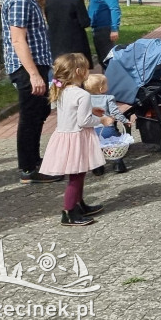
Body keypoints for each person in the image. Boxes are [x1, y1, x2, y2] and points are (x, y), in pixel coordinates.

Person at [1, 0, 61, 184]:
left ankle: (33, 160)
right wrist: (34, 74)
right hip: (28, 68)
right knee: (31, 116)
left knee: (39, 113)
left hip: (36, 66)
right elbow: (18, 40)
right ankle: (28, 168)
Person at [40, 53, 113, 226]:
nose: (89, 71)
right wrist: (102, 120)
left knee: (79, 173)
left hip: (64, 136)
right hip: (77, 137)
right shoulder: (82, 94)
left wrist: (91, 110)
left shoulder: (61, 88)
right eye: (87, 68)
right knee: (76, 176)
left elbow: (68, 111)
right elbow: (84, 121)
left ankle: (80, 204)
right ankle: (69, 212)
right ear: (79, 71)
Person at [84, 74, 130, 174]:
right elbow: (115, 113)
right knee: (114, 145)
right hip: (107, 127)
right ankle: (118, 164)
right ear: (101, 88)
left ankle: (98, 168)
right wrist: (125, 120)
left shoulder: (86, 99)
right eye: (106, 85)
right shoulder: (108, 98)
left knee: (95, 148)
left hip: (92, 128)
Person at [45, 0, 93, 69]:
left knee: (61, 69)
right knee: (77, 69)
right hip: (74, 41)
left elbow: (48, 18)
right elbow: (85, 22)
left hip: (55, 40)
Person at [83, 0, 121, 67]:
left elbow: (114, 8)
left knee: (107, 60)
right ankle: (107, 81)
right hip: (98, 28)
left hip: (105, 29)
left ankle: (111, 82)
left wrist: (114, 29)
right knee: (103, 60)